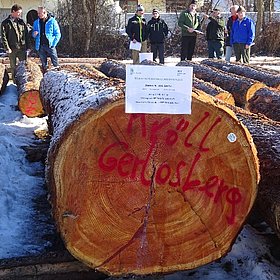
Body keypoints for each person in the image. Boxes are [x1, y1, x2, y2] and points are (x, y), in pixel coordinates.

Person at [1, 4, 30, 82]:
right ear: (13, 12)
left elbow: (26, 35)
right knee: (13, 67)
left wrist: (29, 47)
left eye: (20, 13)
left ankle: (23, 82)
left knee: (23, 66)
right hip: (12, 48)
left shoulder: (22, 22)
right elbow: (4, 37)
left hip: (22, 48)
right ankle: (14, 82)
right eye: (18, 13)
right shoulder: (5, 23)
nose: (20, 14)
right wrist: (7, 48)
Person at [32, 6, 61, 72]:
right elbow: (33, 34)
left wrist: (53, 44)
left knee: (55, 61)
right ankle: (45, 75)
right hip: (40, 45)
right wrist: (34, 34)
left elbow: (57, 34)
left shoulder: (52, 21)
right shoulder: (36, 22)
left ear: (44, 13)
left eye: (40, 13)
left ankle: (58, 74)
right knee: (43, 64)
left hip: (50, 45)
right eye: (38, 13)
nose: (38, 15)